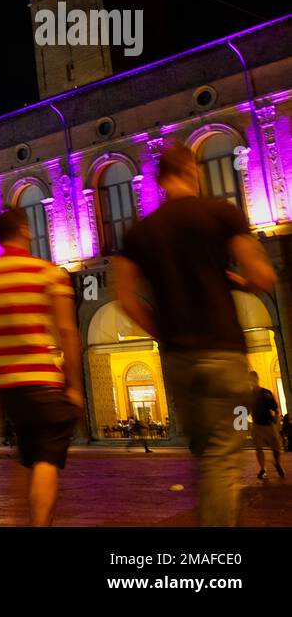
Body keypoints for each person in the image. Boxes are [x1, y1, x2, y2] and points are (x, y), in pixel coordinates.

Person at [115, 141, 276, 526]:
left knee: (206, 454)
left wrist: (162, 332)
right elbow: (263, 275)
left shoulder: (140, 233)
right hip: (223, 352)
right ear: (193, 171)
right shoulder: (221, 214)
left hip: (178, 360)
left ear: (159, 181)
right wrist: (244, 281)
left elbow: (123, 297)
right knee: (222, 456)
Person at [0, 206, 83, 527]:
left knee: (27, 456)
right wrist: (74, 385)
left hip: (8, 388)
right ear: (25, 231)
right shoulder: (47, 273)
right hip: (42, 380)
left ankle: (20, 518)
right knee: (45, 460)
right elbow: (68, 332)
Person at [250, 371, 285, 479]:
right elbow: (243, 410)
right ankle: (263, 468)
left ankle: (277, 463)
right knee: (258, 448)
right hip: (257, 425)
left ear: (257, 379)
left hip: (268, 424)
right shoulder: (248, 395)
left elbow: (274, 407)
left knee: (276, 448)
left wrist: (276, 419)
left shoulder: (265, 393)